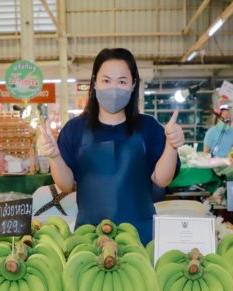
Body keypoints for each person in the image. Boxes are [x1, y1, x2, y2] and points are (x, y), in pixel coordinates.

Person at [37, 48, 183, 244]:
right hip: (90, 237)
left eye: (122, 81)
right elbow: (66, 185)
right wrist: (54, 157)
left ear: (133, 85)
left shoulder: (149, 127)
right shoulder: (74, 129)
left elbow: (161, 179)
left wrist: (172, 146)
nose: (114, 88)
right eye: (106, 80)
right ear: (95, 83)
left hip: (140, 236)